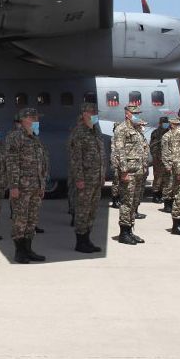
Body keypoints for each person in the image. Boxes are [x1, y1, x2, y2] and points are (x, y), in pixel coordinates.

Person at [6, 107, 50, 262]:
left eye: (37, 118)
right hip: (22, 187)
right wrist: (14, 186)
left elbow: (42, 163)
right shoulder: (15, 137)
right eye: (33, 118)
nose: (37, 121)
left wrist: (42, 184)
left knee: (32, 220)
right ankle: (19, 252)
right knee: (20, 220)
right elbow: (12, 163)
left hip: (36, 186)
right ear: (24, 119)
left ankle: (29, 249)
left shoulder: (35, 138)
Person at [67, 103, 104, 253]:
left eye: (95, 112)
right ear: (84, 114)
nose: (95, 114)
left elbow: (101, 156)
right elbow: (76, 159)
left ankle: (87, 239)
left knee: (92, 211)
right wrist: (80, 179)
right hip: (86, 180)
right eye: (92, 112)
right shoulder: (79, 133)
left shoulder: (95, 131)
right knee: (82, 211)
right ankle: (80, 242)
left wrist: (102, 175)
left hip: (96, 179)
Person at [111, 103, 148, 244]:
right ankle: (123, 233)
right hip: (129, 173)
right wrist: (124, 171)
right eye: (135, 113)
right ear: (127, 114)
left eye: (138, 113)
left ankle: (130, 230)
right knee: (126, 202)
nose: (137, 116)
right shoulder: (121, 129)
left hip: (138, 172)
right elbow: (119, 152)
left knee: (134, 202)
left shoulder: (137, 130)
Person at [149, 117, 168, 203]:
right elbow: (153, 147)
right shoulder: (156, 133)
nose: (165, 124)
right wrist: (156, 157)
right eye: (164, 123)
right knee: (158, 177)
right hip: (158, 159)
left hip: (167, 159)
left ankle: (162, 194)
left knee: (165, 178)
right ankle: (155, 195)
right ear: (160, 123)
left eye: (166, 123)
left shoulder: (169, 132)